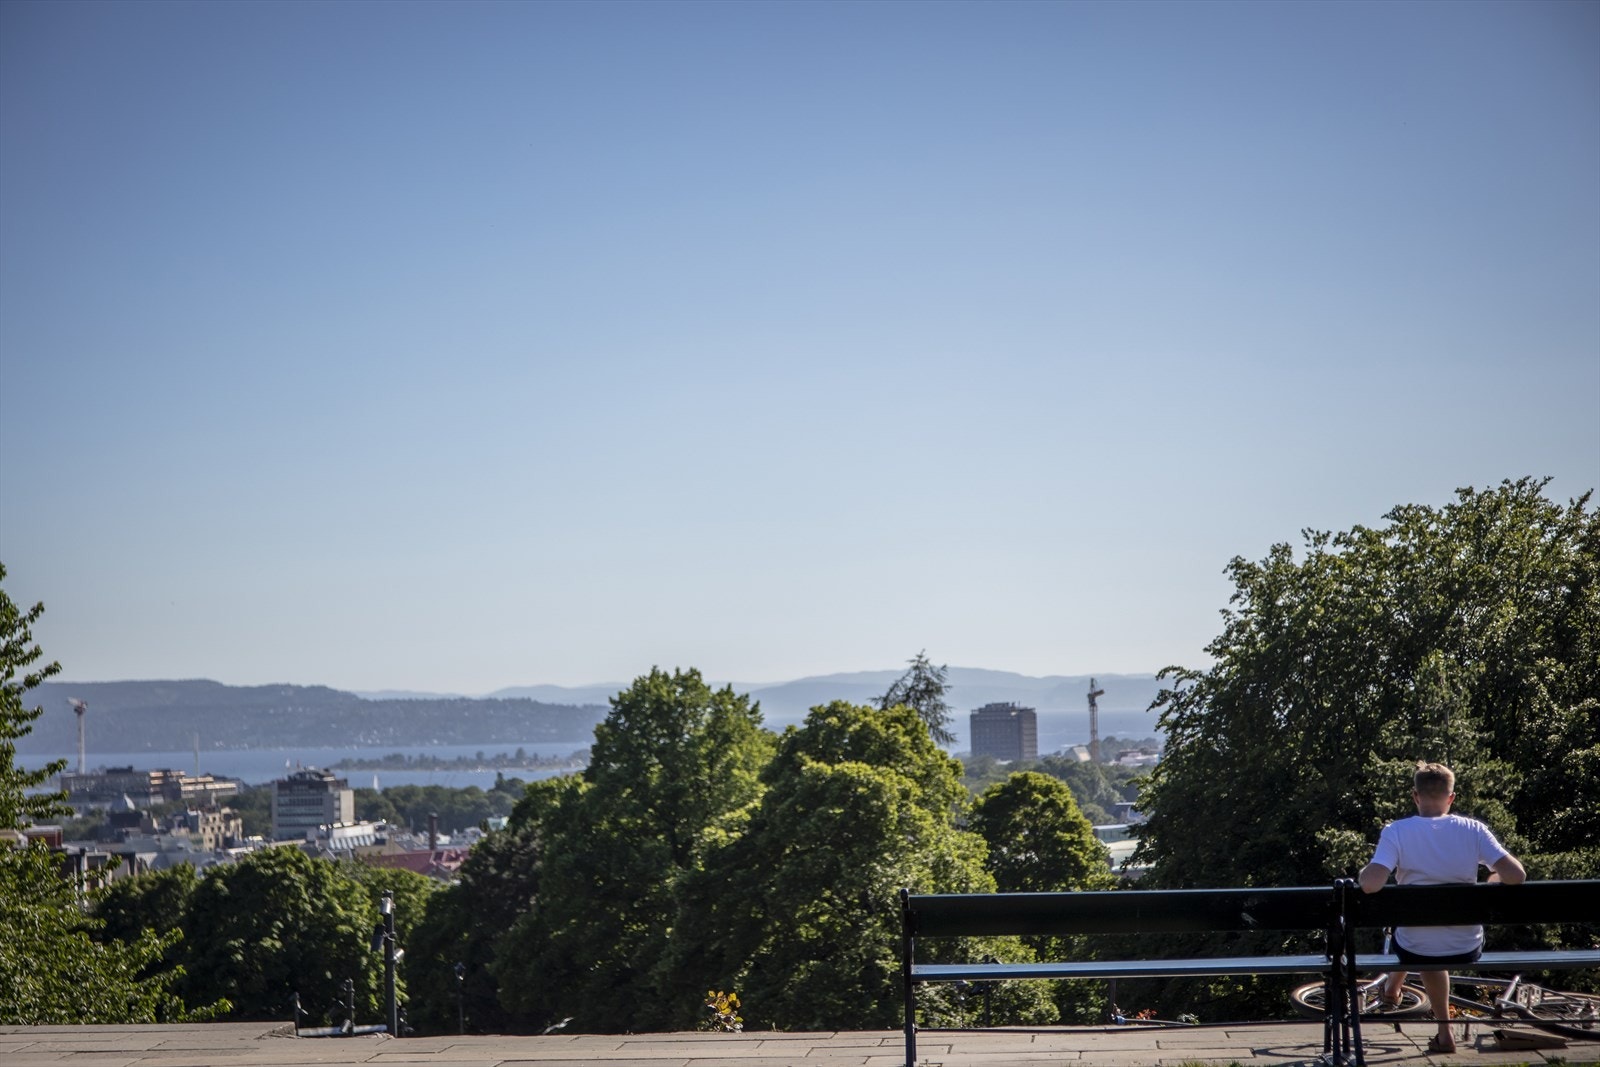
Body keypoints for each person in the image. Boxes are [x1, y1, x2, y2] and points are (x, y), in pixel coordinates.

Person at [1358, 761, 1525, 1055]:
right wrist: (1492, 880)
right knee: (1424, 940)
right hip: (1466, 944)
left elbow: (1371, 884)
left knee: (1416, 941)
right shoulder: (1474, 830)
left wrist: (1364, 872)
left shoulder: (1397, 831)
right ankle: (1396, 992)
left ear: (1415, 796)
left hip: (1414, 945)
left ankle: (1439, 1027)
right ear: (1451, 798)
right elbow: (1516, 875)